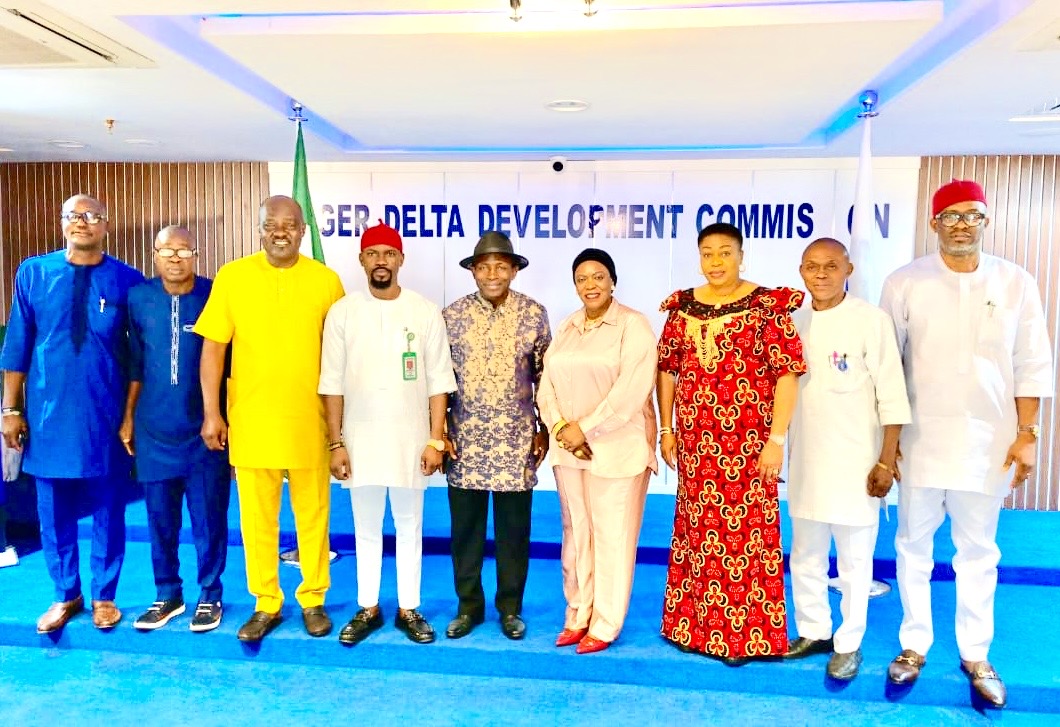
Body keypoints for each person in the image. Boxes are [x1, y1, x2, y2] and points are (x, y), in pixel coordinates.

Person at [879, 180, 1052, 708]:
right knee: (913, 546)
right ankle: (914, 645)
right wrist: (888, 444)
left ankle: (976, 653)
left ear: (985, 221)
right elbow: (887, 365)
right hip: (919, 438)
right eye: (949, 215)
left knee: (978, 551)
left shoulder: (1016, 282)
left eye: (971, 215)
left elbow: (1033, 362)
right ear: (933, 224)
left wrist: (1027, 435)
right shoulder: (905, 281)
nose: (960, 224)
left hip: (990, 440)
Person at [194, 195, 344, 643]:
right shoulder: (233, 277)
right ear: (260, 230)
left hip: (309, 421)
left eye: (290, 224)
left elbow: (339, 356)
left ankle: (313, 597)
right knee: (256, 518)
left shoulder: (326, 281)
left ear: (303, 229)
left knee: (313, 513)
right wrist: (211, 412)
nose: (281, 231)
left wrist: (339, 428)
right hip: (252, 418)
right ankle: (266, 602)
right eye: (271, 224)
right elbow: (214, 348)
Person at [658, 222, 805, 665]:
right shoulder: (682, 307)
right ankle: (694, 626)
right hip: (696, 445)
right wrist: (667, 429)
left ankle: (742, 638)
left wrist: (777, 438)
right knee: (697, 533)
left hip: (749, 445)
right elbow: (667, 369)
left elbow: (787, 373)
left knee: (744, 536)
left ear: (741, 255)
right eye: (707, 253)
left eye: (725, 252)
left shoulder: (766, 305)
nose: (716, 262)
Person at [1, 194, 144, 632]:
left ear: (106, 225)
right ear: (62, 223)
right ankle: (66, 594)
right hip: (46, 414)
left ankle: (104, 595)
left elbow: (137, 357)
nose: (83, 223)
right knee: (54, 509)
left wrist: (130, 415)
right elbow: (18, 344)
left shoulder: (126, 280)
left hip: (105, 414)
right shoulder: (34, 272)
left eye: (92, 216)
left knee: (108, 506)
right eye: (74, 216)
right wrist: (10, 408)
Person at [319, 221, 456, 646]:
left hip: (411, 439)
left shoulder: (424, 310)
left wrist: (436, 440)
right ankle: (368, 607)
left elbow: (438, 380)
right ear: (361, 260)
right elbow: (331, 383)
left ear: (401, 259)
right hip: (358, 440)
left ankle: (408, 608)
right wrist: (336, 442)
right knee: (365, 525)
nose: (381, 261)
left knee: (410, 523)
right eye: (373, 253)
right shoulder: (343, 311)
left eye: (388, 253)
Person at [784, 237, 911, 680]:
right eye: (812, 266)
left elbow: (892, 395)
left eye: (831, 266)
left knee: (856, 561)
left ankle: (849, 642)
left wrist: (885, 461)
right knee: (805, 553)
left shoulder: (870, 321)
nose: (821, 274)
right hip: (805, 462)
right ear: (800, 270)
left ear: (848, 269)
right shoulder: (791, 322)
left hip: (858, 462)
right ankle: (814, 629)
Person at [536, 247, 657, 655]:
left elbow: (630, 393)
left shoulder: (633, 326)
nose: (590, 285)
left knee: (611, 537)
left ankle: (605, 624)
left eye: (598, 276)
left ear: (613, 281)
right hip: (569, 451)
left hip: (617, 449)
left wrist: (583, 428)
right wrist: (559, 428)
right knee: (577, 534)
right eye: (582, 279)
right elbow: (546, 386)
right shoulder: (569, 326)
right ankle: (578, 613)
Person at [441, 232, 551, 641]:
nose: (492, 274)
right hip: (465, 441)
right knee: (465, 533)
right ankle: (468, 606)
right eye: (483, 266)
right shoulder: (451, 316)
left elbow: (546, 378)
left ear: (514, 270)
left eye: (501, 266)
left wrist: (543, 428)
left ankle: (510, 609)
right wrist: (438, 435)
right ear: (473, 271)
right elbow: (438, 382)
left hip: (516, 442)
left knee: (513, 532)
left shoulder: (533, 314)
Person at [122, 226, 231, 632]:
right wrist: (129, 416)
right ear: (154, 255)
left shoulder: (215, 295)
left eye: (184, 250)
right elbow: (134, 363)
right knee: (159, 519)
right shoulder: (138, 298)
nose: (175, 258)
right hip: (153, 430)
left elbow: (230, 363)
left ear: (196, 255)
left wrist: (220, 416)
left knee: (209, 517)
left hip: (204, 430)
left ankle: (210, 594)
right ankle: (167, 593)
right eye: (166, 250)